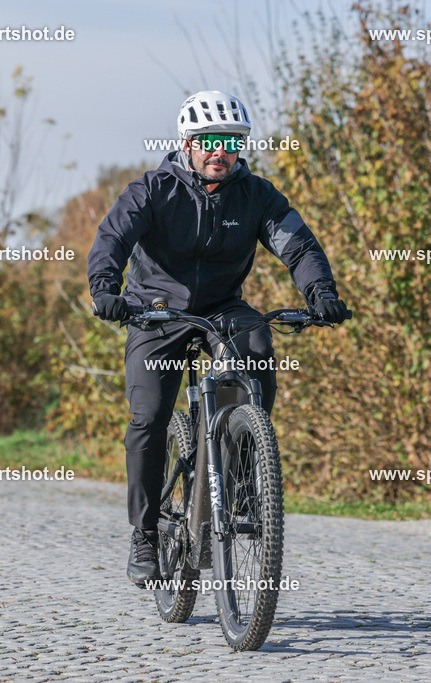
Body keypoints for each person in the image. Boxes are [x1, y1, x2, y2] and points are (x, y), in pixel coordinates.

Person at [86, 90, 350, 586]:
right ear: (186, 143)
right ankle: (144, 535)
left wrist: (320, 292)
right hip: (155, 311)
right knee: (148, 417)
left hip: (223, 308)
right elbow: (111, 240)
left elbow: (297, 244)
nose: (219, 151)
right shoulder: (152, 189)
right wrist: (106, 291)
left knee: (257, 347)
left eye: (230, 141)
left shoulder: (256, 195)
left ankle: (246, 470)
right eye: (208, 141)